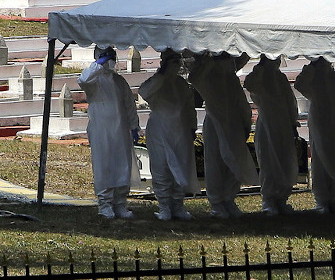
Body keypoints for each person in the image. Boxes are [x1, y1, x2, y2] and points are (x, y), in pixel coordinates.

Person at [188, 53, 258, 218]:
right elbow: (194, 78)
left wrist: (245, 120)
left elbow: (240, 101)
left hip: (234, 123)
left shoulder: (231, 78)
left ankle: (229, 198)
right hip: (215, 122)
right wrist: (208, 62)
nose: (230, 64)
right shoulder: (208, 76)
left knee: (235, 161)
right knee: (216, 163)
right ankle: (217, 202)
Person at [78, 46, 140, 219]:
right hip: (101, 129)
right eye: (107, 56)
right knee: (104, 164)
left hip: (120, 129)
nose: (111, 60)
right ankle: (105, 204)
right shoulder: (94, 81)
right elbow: (82, 79)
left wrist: (134, 126)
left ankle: (120, 203)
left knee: (122, 163)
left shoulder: (119, 81)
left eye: (112, 56)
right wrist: (99, 63)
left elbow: (129, 104)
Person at [137, 49, 198, 220]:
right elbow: (144, 92)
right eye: (172, 61)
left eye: (177, 60)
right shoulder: (156, 81)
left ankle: (178, 206)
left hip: (180, 130)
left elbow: (189, 107)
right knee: (161, 168)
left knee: (180, 167)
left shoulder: (181, 83)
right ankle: (164, 206)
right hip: (160, 129)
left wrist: (192, 128)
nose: (176, 64)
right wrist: (163, 74)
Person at [293, 56, 335, 213]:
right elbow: (299, 84)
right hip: (319, 118)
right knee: (320, 156)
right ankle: (322, 199)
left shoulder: (334, 75)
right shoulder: (312, 73)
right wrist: (311, 67)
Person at [244, 55, 300, 216]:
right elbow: (250, 84)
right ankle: (269, 200)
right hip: (268, 123)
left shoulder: (280, 77)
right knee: (269, 162)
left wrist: (292, 122)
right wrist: (261, 67)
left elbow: (290, 101)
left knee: (284, 160)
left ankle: (282, 199)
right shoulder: (258, 75)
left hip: (283, 123)